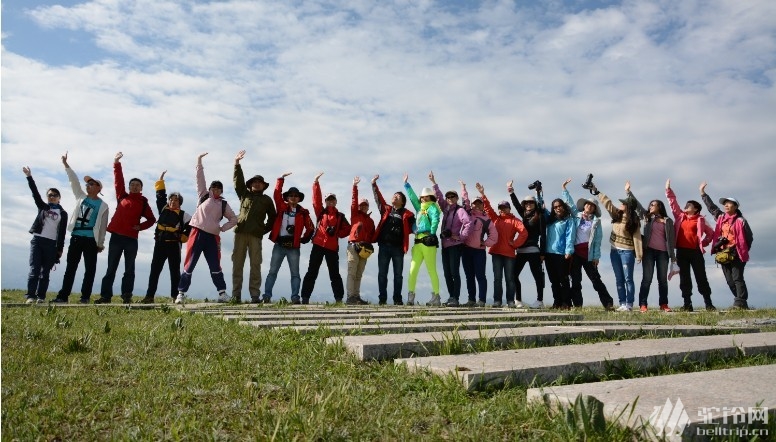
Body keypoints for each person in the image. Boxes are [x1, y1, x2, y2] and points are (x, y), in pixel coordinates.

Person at [175, 153, 238, 305]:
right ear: (210, 188)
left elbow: (234, 219)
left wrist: (222, 228)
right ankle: (181, 294)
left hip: (212, 237)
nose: (216, 190)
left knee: (215, 265)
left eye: (219, 188)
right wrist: (199, 161)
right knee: (190, 263)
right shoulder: (203, 195)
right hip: (197, 232)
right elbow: (199, 178)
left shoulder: (224, 204)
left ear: (222, 191)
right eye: (213, 187)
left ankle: (222, 293)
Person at [96, 152, 156, 304]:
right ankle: (105, 296)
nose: (135, 187)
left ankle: (126, 296)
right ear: (129, 187)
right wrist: (116, 163)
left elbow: (152, 219)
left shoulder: (143, 202)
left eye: (138, 185)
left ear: (141, 188)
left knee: (129, 269)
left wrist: (140, 227)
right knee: (111, 268)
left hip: (131, 239)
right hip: (116, 236)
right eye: (132, 185)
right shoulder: (122, 196)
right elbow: (118, 181)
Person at [53, 152, 109, 304]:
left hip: (91, 239)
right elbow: (74, 181)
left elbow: (103, 227)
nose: (88, 185)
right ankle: (63, 296)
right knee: (71, 267)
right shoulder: (81, 197)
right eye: (88, 184)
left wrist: (100, 243)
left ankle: (85, 297)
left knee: (90, 270)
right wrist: (66, 165)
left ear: (98, 188)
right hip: (76, 237)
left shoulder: (103, 206)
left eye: (92, 184)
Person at [561, 178, 614, 311]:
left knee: (596, 280)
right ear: (584, 206)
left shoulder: (596, 222)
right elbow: (570, 204)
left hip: (589, 254)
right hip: (576, 254)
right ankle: (578, 305)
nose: (589, 206)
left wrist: (596, 256)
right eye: (587, 204)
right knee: (576, 281)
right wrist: (564, 190)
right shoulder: (576, 216)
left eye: (592, 205)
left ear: (594, 209)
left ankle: (608, 303)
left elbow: (597, 240)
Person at [232, 150, 277, 303]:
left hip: (256, 236)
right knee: (237, 265)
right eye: (254, 182)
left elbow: (273, 217)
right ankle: (236, 295)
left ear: (263, 186)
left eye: (260, 182)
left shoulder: (266, 200)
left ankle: (255, 295)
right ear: (250, 184)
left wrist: (263, 230)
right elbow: (238, 181)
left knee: (255, 265)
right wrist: (237, 164)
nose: (257, 184)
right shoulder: (244, 194)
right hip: (240, 233)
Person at [700, 181, 753, 310]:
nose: (725, 205)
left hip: (737, 252)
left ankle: (740, 301)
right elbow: (712, 208)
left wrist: (741, 250)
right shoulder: (721, 218)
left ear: (735, 206)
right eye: (724, 204)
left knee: (737, 278)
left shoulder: (741, 221)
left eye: (728, 203)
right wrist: (703, 194)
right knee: (730, 280)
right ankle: (741, 303)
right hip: (723, 252)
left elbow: (749, 237)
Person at [263, 173, 315, 304]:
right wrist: (280, 179)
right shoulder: (281, 207)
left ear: (299, 198)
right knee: (272, 272)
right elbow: (276, 193)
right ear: (286, 197)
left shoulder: (303, 212)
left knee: (295, 274)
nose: (293, 197)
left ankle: (295, 297)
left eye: (295, 196)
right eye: (290, 195)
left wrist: (303, 239)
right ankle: (267, 296)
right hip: (279, 244)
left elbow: (311, 228)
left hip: (293, 247)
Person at [141, 170, 191, 303]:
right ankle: (149, 296)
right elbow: (160, 196)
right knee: (155, 271)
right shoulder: (163, 209)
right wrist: (160, 181)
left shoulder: (184, 215)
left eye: (176, 200)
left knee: (174, 272)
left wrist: (184, 235)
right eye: (171, 200)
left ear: (180, 202)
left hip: (174, 245)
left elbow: (192, 226)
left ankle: (175, 296)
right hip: (160, 244)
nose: (173, 202)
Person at [301, 172, 351, 304]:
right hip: (318, 245)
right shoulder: (321, 212)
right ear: (326, 201)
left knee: (335, 274)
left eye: (332, 199)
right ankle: (305, 298)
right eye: (328, 199)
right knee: (312, 272)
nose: (330, 201)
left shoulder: (340, 216)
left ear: (335, 201)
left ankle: (339, 299)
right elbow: (316, 200)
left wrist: (337, 233)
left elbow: (347, 229)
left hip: (332, 248)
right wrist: (316, 183)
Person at [475, 182, 527, 308]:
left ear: (509, 208)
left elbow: (524, 233)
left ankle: (510, 301)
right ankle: (497, 301)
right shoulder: (495, 218)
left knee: (509, 278)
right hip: (496, 252)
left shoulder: (515, 221)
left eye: (505, 207)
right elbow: (487, 208)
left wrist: (515, 244)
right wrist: (482, 194)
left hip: (509, 253)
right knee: (497, 278)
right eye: (500, 207)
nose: (502, 209)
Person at [666, 179, 715, 311]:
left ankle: (708, 304)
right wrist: (668, 190)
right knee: (684, 279)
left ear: (696, 209)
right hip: (681, 252)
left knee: (701, 277)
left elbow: (711, 234)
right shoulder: (680, 217)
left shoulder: (701, 220)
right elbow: (673, 204)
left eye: (690, 205)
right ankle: (687, 304)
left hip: (695, 253)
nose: (686, 206)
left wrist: (702, 244)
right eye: (686, 204)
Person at [593, 182, 642, 312]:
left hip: (627, 252)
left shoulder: (634, 221)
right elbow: (607, 203)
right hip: (614, 251)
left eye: (623, 203)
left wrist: (639, 255)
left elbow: (637, 238)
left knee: (628, 279)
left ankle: (629, 304)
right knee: (619, 279)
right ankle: (622, 303)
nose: (620, 204)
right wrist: (596, 191)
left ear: (628, 207)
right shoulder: (616, 215)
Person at [627, 182, 676, 312]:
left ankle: (664, 304)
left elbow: (671, 240)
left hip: (663, 253)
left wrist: (673, 258)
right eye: (650, 205)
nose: (650, 206)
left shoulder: (668, 220)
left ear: (659, 206)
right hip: (648, 251)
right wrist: (629, 192)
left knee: (662, 280)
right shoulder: (647, 217)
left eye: (653, 204)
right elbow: (637, 206)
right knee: (647, 279)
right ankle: (643, 304)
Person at [22, 166, 68, 303]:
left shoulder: (63, 213)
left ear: (59, 198)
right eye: (49, 195)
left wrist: (60, 250)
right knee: (34, 268)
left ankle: (41, 296)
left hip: (51, 244)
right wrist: (29, 176)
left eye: (54, 195)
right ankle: (31, 295)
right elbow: (34, 193)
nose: (52, 197)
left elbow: (62, 233)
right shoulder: (43, 207)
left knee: (45, 272)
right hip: (37, 240)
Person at [429, 171, 471, 307]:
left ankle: (455, 298)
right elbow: (439, 197)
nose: (450, 198)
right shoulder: (446, 209)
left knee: (454, 272)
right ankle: (451, 296)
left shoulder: (460, 210)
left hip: (455, 245)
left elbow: (468, 223)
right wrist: (434, 183)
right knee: (447, 273)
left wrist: (460, 237)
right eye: (448, 197)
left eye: (453, 196)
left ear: (457, 198)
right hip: (445, 245)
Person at [371, 175, 415, 305]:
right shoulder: (386, 210)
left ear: (402, 202)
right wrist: (373, 184)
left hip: (398, 248)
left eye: (398, 196)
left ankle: (397, 299)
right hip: (384, 246)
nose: (395, 197)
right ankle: (382, 299)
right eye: (394, 195)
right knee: (382, 274)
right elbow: (378, 198)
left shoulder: (408, 214)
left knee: (398, 275)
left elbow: (415, 228)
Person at [404, 174, 442, 306]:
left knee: (431, 269)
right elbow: (412, 197)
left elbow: (436, 219)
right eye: (423, 197)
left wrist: (432, 233)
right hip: (417, 242)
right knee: (412, 270)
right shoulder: (419, 208)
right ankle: (410, 296)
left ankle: (436, 296)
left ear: (431, 198)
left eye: (427, 197)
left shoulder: (433, 208)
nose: (424, 198)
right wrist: (407, 185)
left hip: (428, 240)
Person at [508, 180, 546, 309]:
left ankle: (539, 300)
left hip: (534, 251)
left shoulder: (539, 216)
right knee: (513, 275)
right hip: (521, 250)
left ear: (535, 204)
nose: (528, 204)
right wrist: (511, 191)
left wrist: (542, 253)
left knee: (537, 276)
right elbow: (516, 204)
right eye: (527, 203)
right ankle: (518, 299)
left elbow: (543, 235)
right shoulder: (523, 215)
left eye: (531, 202)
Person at [461, 181, 498, 307]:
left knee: (480, 276)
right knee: (469, 276)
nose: (476, 205)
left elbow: (494, 236)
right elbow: (464, 201)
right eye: (474, 203)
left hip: (479, 251)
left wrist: (485, 243)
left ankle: (481, 300)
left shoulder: (487, 219)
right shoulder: (467, 214)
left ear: (482, 205)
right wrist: (463, 188)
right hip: (466, 250)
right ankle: (471, 300)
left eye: (479, 203)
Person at [542, 190, 576, 310]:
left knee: (564, 279)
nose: (557, 208)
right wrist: (539, 192)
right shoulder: (550, 220)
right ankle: (557, 302)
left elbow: (570, 236)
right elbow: (541, 207)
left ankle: (566, 303)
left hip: (561, 254)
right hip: (549, 254)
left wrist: (568, 251)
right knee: (553, 281)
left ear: (563, 206)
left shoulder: (569, 220)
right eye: (555, 207)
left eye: (559, 206)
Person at [345, 176, 376, 305]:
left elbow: (372, 235)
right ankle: (350, 297)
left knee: (359, 274)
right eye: (361, 205)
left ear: (368, 207)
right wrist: (354, 186)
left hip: (364, 248)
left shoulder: (371, 221)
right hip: (353, 246)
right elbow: (353, 201)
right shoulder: (355, 215)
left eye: (365, 205)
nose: (363, 207)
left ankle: (356, 296)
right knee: (352, 272)